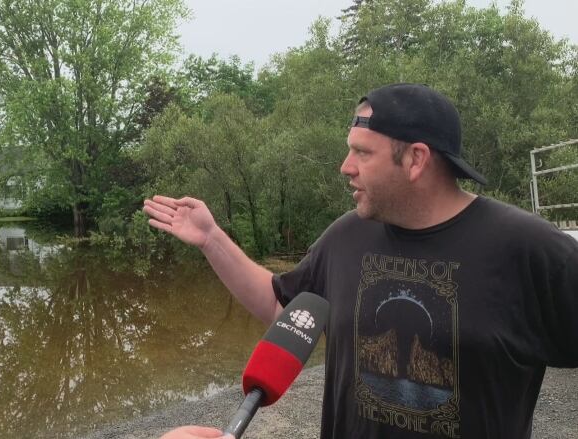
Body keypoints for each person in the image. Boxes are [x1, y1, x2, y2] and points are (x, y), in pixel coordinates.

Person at [143, 83, 578, 439]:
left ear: (415, 159)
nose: (345, 167)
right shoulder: (347, 236)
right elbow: (284, 311)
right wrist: (211, 239)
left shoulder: (528, 249)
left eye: (362, 153)